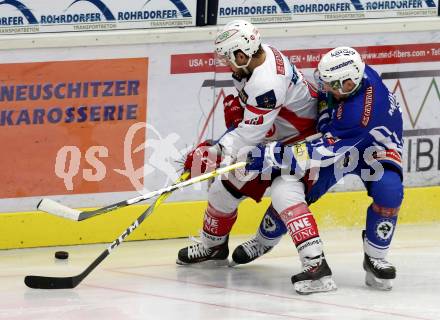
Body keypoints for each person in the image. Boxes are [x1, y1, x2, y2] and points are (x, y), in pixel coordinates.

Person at [177, 20, 337, 294]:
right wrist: (235, 121)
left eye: (227, 57)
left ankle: (317, 268)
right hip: (270, 140)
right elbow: (254, 127)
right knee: (222, 191)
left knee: (285, 195)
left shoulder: (266, 82)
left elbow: (249, 135)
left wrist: (214, 152)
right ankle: (213, 247)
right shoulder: (255, 61)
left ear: (241, 54)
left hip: (300, 143)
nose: (225, 63)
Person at [243, 46, 404, 291]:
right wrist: (326, 118)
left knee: (389, 190)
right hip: (342, 142)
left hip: (375, 150)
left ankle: (376, 256)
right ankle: (263, 240)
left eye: (332, 86)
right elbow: (325, 107)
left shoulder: (359, 114)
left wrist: (272, 155)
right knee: (295, 190)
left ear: (349, 84)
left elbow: (318, 151)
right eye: (326, 82)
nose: (326, 89)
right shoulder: (355, 74)